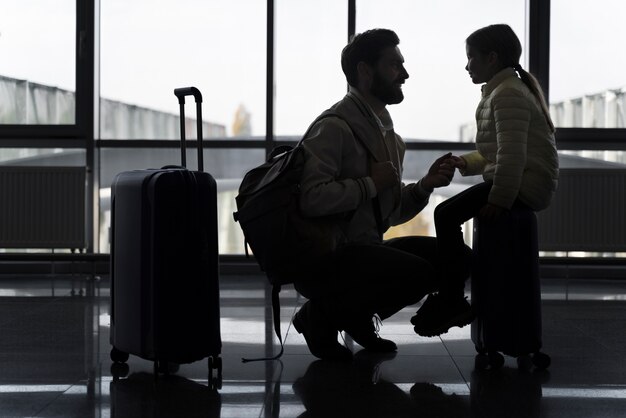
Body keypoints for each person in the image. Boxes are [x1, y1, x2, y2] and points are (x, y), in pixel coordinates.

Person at [291, 28, 462, 361]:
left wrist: (425, 185)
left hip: (365, 249)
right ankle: (320, 317)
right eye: (394, 65)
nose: (405, 74)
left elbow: (390, 214)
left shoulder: (387, 134)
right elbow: (310, 198)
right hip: (326, 258)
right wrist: (369, 183)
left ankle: (350, 316)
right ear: (365, 71)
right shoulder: (334, 126)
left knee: (458, 258)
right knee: (420, 274)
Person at [411, 23, 559, 337]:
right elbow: (496, 152)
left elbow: (512, 156)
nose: (467, 66)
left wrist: (499, 199)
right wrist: (466, 162)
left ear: (491, 58)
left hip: (525, 184)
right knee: (447, 214)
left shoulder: (507, 95)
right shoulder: (505, 91)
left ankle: (451, 299)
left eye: (471, 58)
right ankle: (452, 296)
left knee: (445, 213)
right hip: (523, 179)